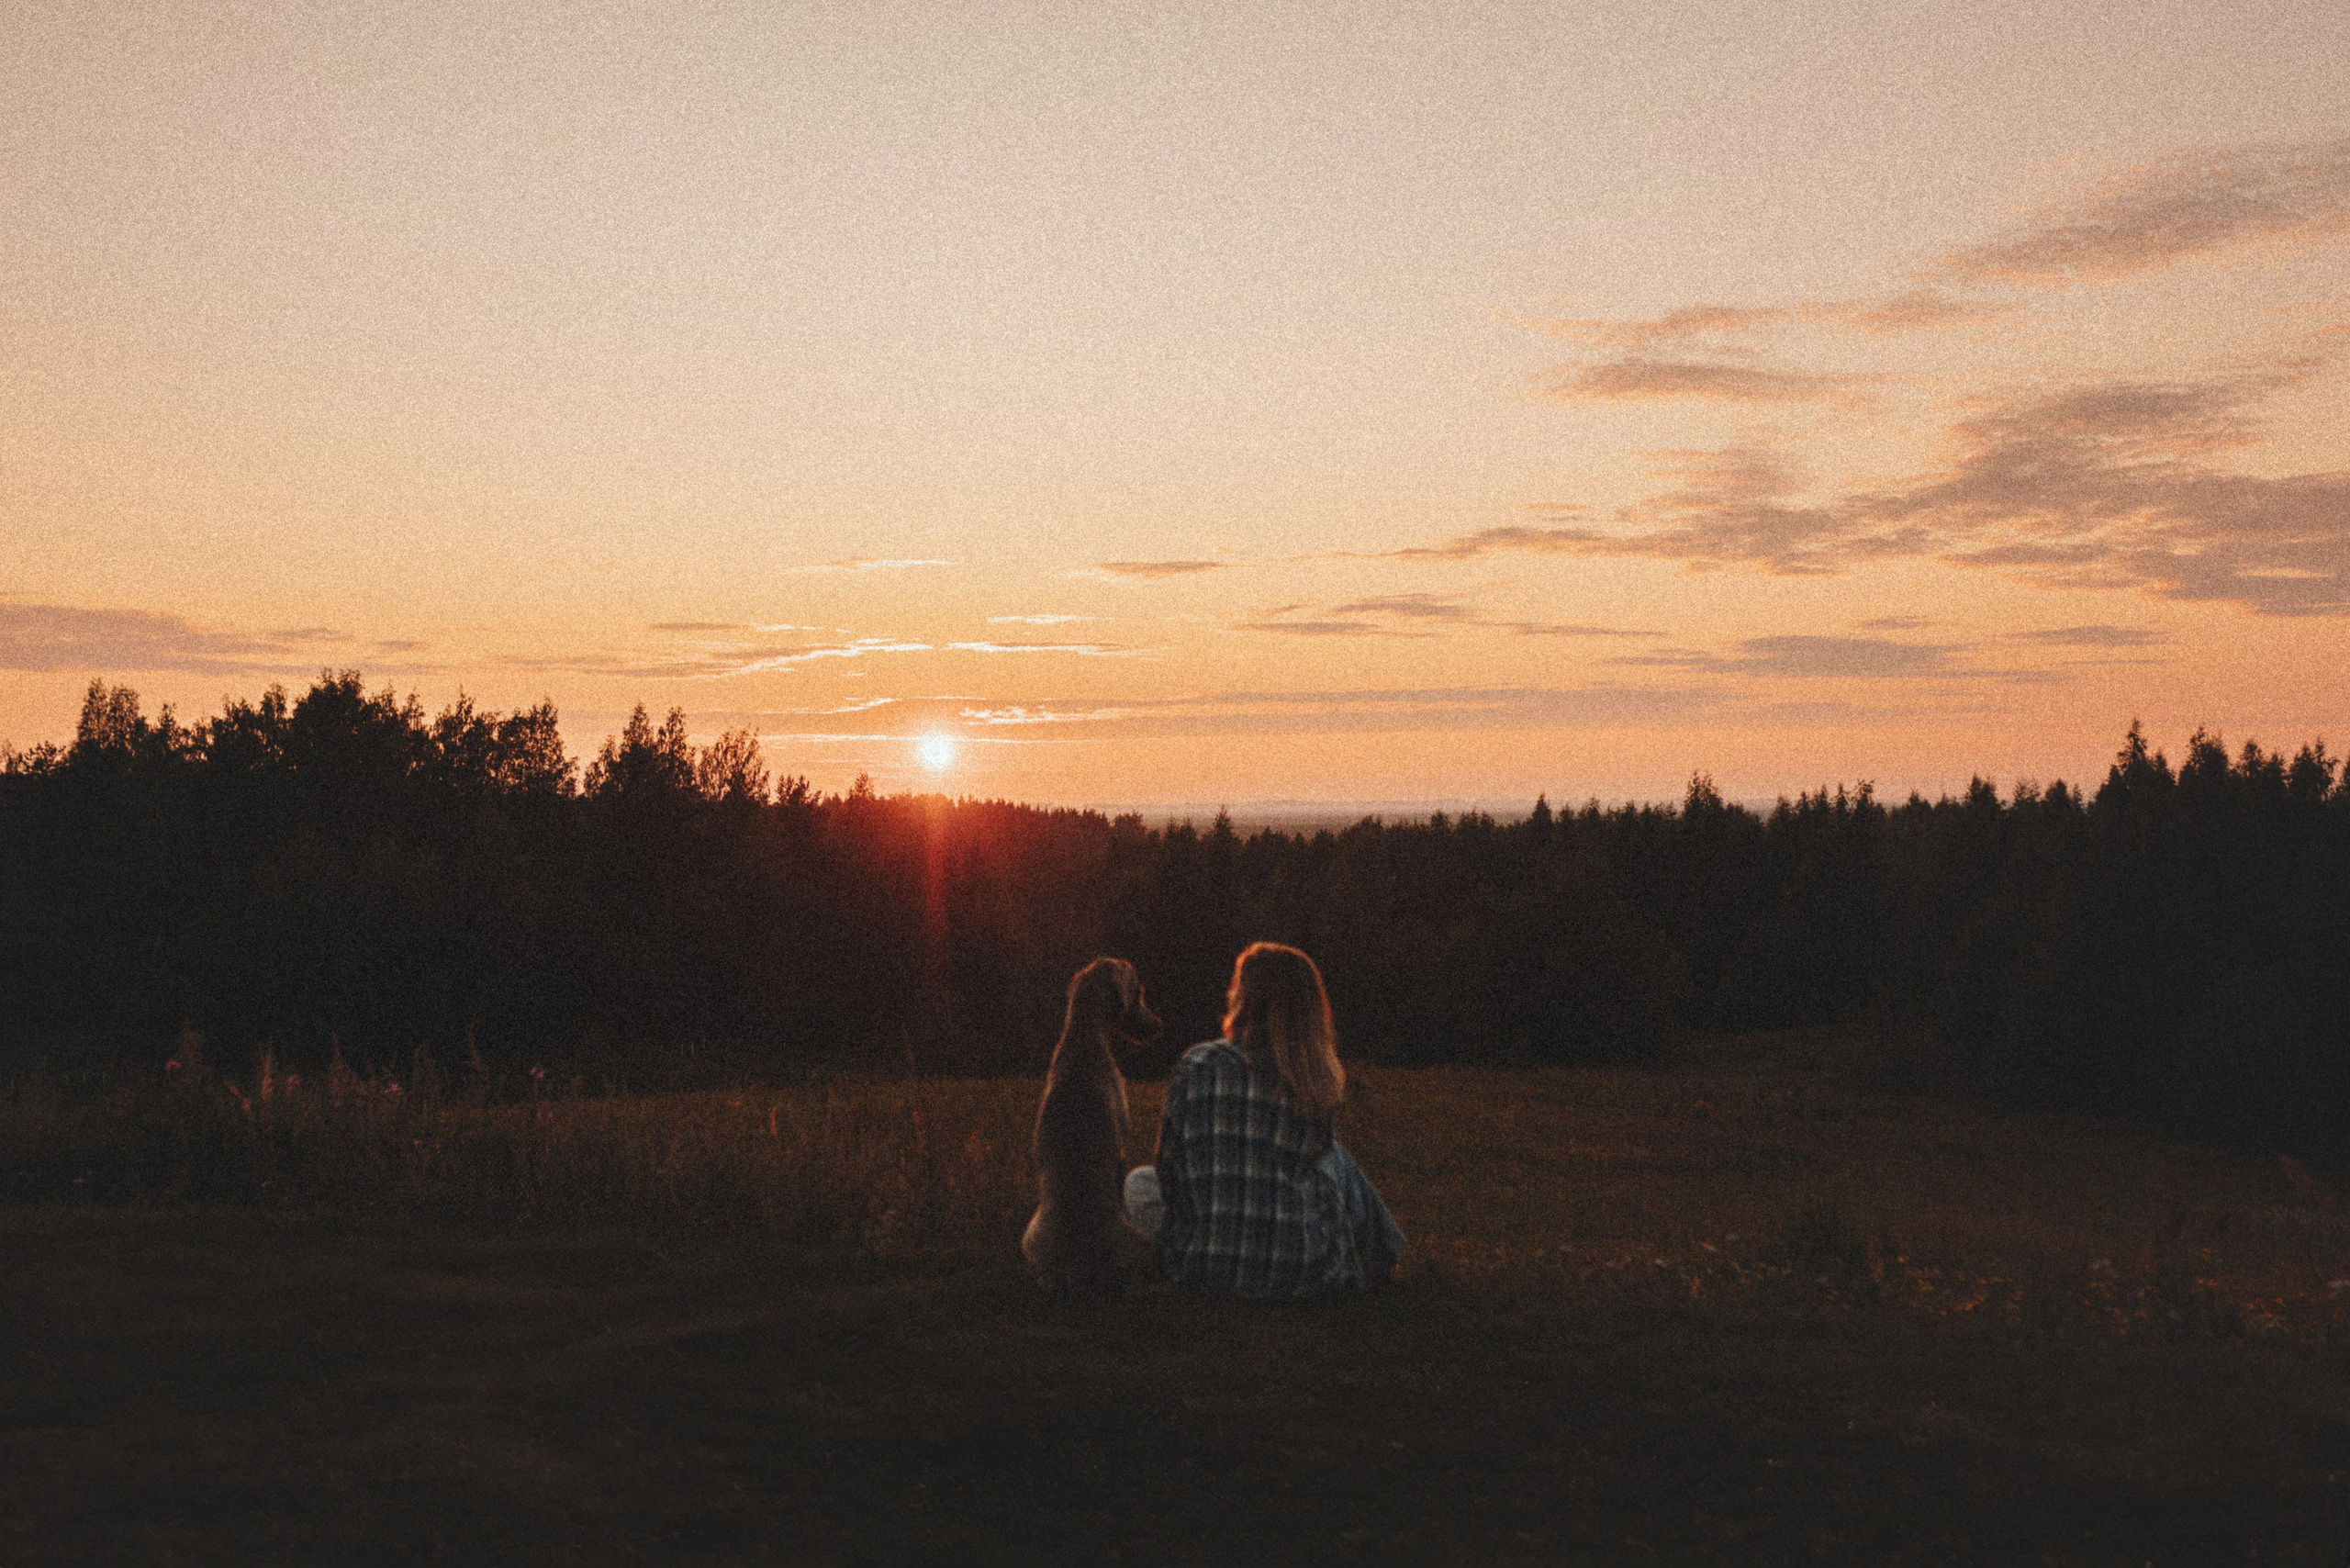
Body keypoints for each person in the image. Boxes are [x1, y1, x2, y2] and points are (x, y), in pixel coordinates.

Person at [1126, 942, 1405, 1296]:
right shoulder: (1311, 1079)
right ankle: (1386, 1253)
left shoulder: (1196, 1064)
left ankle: (1381, 1250)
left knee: (1138, 1184)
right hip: (1303, 1275)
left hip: (1202, 1268)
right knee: (1338, 1162)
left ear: (1241, 998)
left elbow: (1169, 1172)